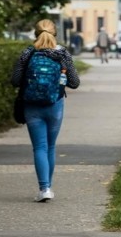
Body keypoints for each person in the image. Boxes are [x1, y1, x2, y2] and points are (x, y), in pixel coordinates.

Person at [11, 19, 80, 202]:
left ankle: (44, 189)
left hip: (32, 107)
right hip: (54, 106)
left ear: (36, 33)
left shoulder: (28, 53)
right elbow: (74, 82)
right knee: (50, 147)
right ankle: (47, 189)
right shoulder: (62, 53)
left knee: (39, 147)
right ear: (55, 33)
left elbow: (15, 80)